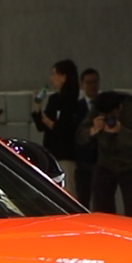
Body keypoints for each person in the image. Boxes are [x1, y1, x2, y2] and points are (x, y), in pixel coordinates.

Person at [87, 89, 132, 217]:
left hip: (130, 165)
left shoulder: (131, 112)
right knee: (101, 207)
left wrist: (121, 131)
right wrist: (92, 130)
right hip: (105, 163)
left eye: (112, 114)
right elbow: (80, 136)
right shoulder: (98, 109)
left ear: (119, 108)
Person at [36, 60, 85, 196]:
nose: (51, 78)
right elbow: (41, 126)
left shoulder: (72, 100)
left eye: (54, 74)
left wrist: (48, 121)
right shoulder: (53, 99)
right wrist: (38, 108)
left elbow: (64, 128)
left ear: (64, 77)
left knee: (67, 188)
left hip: (64, 152)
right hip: (50, 150)